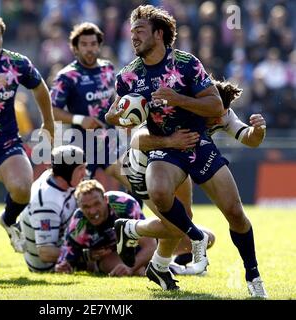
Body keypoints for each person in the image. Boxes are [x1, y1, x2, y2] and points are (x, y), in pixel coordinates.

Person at [106, 5, 267, 298]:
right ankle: (194, 238)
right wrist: (119, 116)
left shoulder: (186, 63)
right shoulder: (128, 76)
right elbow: (111, 115)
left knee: (235, 213)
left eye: (140, 31)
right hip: (163, 149)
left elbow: (216, 106)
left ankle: (254, 277)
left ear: (159, 33)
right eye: (131, 33)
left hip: (198, 145)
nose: (134, 37)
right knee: (159, 192)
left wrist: (176, 98)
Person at [118, 79, 266, 275]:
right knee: (177, 225)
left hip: (174, 165)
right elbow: (136, 140)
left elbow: (247, 137)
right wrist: (170, 140)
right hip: (140, 169)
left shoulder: (221, 112)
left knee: (185, 221)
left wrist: (257, 131)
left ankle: (160, 265)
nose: (219, 121)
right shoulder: (174, 112)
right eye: (214, 115)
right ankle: (130, 229)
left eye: (222, 115)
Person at [0, 12, 55, 278]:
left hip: (6, 141)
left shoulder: (16, 62)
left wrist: (48, 122)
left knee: (22, 185)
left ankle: (8, 219)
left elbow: (39, 88)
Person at [50, 22, 131, 194]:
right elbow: (51, 109)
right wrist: (80, 119)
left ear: (99, 45)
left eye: (93, 44)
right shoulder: (67, 76)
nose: (89, 49)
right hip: (82, 144)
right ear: (75, 48)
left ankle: (136, 218)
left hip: (109, 140)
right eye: (84, 44)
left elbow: (115, 98)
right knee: (81, 194)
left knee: (134, 181)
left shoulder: (108, 69)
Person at [55, 179, 157, 276]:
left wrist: (130, 268)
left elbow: (150, 245)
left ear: (105, 199)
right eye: (86, 207)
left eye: (96, 204)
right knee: (133, 269)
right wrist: (63, 266)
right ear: (80, 207)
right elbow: (65, 258)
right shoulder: (79, 222)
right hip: (109, 258)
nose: (93, 211)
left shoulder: (125, 204)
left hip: (137, 247)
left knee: (161, 230)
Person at [19, 145, 87, 272]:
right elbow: (46, 252)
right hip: (51, 267)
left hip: (67, 248)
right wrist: (87, 255)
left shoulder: (58, 178)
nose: (85, 173)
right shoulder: (47, 201)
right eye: (80, 168)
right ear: (66, 171)